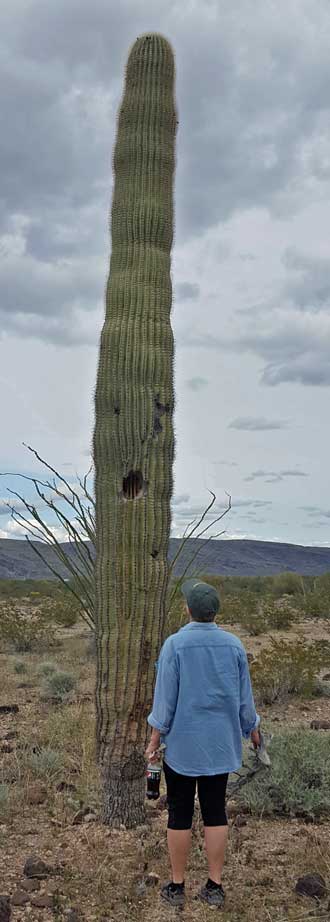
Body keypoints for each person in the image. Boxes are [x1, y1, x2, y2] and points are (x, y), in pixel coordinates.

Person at [145, 579, 261, 909]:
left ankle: (177, 885)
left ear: (188, 610)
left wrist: (154, 741)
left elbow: (164, 703)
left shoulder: (174, 645)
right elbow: (244, 699)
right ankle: (214, 885)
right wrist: (252, 730)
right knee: (215, 812)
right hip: (221, 746)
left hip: (182, 747)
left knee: (179, 812)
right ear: (214, 612)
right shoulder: (234, 645)